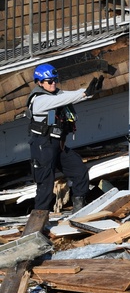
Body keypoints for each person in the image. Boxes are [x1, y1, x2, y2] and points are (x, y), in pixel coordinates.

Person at [27, 63, 103, 212]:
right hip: (43, 146)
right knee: (45, 185)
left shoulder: (55, 94)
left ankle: (79, 207)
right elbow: (65, 99)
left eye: (55, 80)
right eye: (49, 81)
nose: (53, 83)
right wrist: (83, 94)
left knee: (79, 170)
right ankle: (38, 220)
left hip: (57, 145)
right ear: (39, 83)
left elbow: (70, 95)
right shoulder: (39, 101)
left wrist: (89, 92)